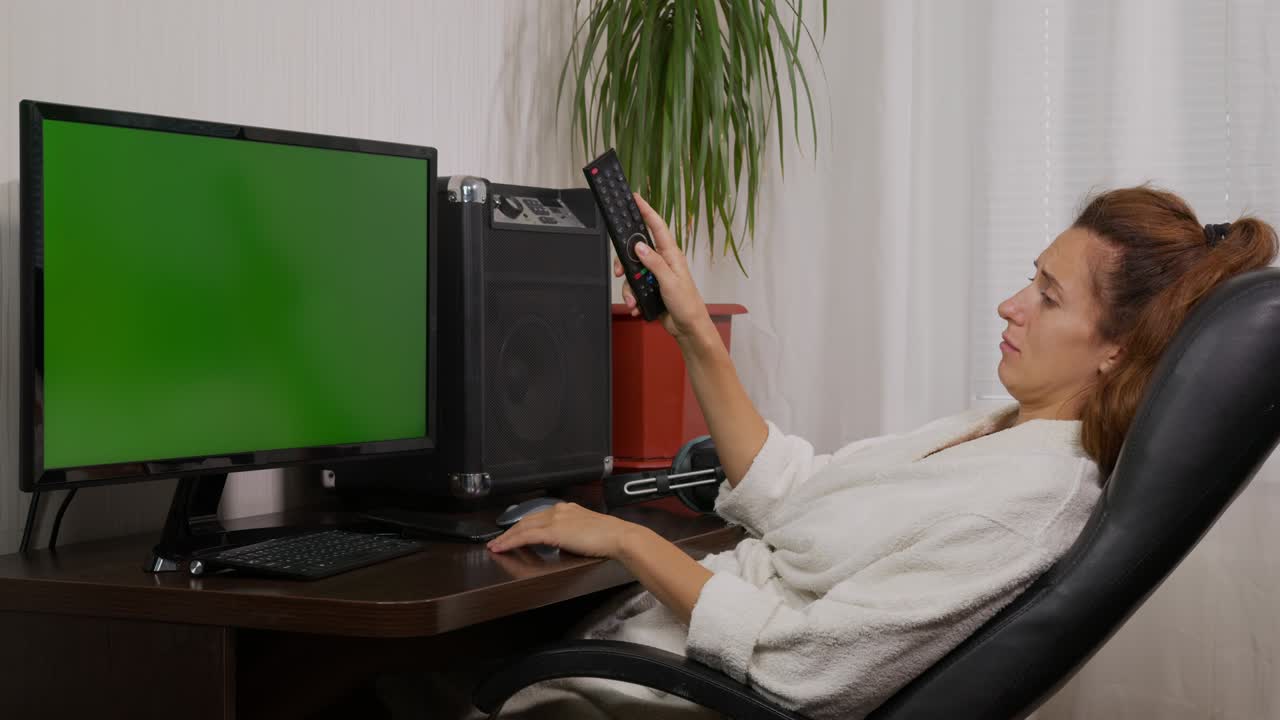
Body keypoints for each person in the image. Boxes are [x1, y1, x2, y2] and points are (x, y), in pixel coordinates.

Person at [452, 186, 1278, 720]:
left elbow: (804, 667)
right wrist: (695, 328)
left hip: (666, 696)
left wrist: (630, 540)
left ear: (1115, 352)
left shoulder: (1031, 503)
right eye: (1031, 277)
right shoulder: (1004, 430)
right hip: (648, 651)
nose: (1011, 303)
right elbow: (796, 495)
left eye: (1047, 296)